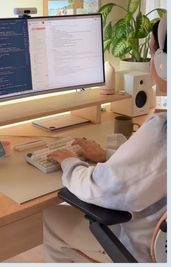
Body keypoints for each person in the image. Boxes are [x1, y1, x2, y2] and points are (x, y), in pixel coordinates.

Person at [43, 15, 167, 263]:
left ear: (164, 62)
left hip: (143, 249)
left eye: (152, 51)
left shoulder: (162, 130)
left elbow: (102, 189)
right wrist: (108, 157)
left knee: (53, 217)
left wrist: (69, 162)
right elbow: (153, 169)